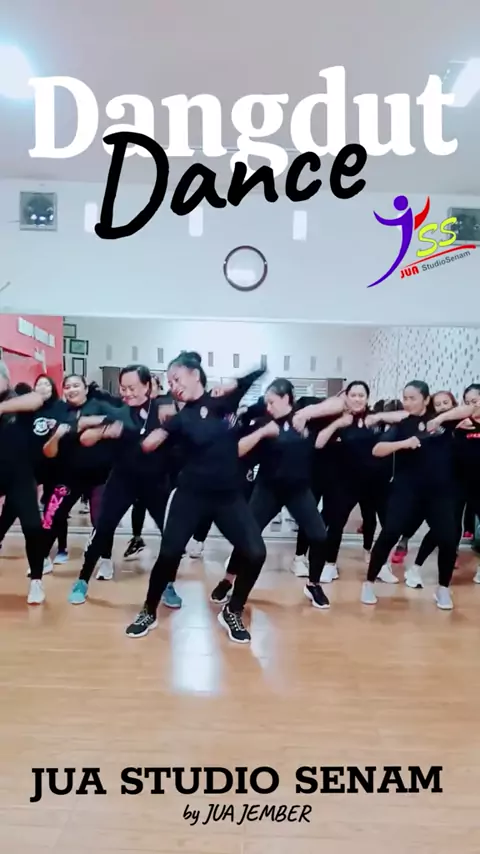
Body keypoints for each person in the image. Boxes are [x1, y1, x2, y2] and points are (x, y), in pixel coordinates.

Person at [122, 352, 267, 643]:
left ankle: (233, 610)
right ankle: (149, 610)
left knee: (256, 553)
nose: (174, 386)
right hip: (191, 496)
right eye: (170, 382)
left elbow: (254, 376)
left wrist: (235, 381)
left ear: (195, 374)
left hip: (228, 497)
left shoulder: (224, 401)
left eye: (177, 379)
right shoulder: (179, 418)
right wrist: (152, 434)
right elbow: (150, 444)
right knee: (169, 554)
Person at [209, 378, 347, 609]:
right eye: (267, 402)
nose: (269, 406)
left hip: (299, 490)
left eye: (272, 402)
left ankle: (313, 584)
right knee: (247, 537)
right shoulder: (263, 420)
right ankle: (227, 580)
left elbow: (340, 404)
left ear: (286, 399)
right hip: (268, 489)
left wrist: (306, 414)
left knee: (319, 536)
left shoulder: (307, 413)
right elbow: (238, 449)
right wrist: (263, 432)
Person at [66, 364, 183, 608]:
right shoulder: (118, 413)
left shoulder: (164, 410)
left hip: (156, 484)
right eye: (123, 388)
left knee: (171, 537)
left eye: (132, 388)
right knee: (102, 530)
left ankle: (168, 584)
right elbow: (85, 438)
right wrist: (104, 431)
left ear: (147, 386)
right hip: (122, 482)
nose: (127, 393)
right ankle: (82, 580)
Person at [362, 381, 464, 610]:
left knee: (448, 539)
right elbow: (377, 450)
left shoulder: (442, 421)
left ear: (426, 399)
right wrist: (403, 443)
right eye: (405, 398)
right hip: (407, 490)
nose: (407, 402)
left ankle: (443, 589)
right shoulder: (402, 424)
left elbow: (470, 409)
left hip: (439, 492)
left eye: (412, 398)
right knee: (390, 533)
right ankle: (368, 583)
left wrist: (439, 418)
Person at [305, 381, 403, 584]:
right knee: (336, 525)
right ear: (346, 397)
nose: (357, 399)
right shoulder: (340, 420)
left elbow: (406, 417)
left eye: (361, 395)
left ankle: (382, 566)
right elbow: (319, 443)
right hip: (345, 483)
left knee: (388, 526)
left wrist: (379, 416)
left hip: (377, 483)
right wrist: (338, 424)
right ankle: (330, 565)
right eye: (353, 395)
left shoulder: (376, 419)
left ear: (367, 398)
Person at [42, 374, 133, 581]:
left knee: (101, 520)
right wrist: (75, 426)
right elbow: (52, 444)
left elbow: (121, 418)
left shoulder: (100, 405)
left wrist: (95, 425)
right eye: (67, 386)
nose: (71, 390)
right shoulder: (60, 411)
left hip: (101, 475)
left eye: (76, 385)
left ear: (85, 388)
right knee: (52, 515)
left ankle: (105, 560)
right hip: (68, 475)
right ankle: (43, 558)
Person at [391, 390, 458, 574]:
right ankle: (404, 542)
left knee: (447, 526)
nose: (443, 407)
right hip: (432, 482)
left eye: (446, 403)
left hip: (455, 482)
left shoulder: (457, 420)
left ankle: (446, 554)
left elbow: (469, 410)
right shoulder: (430, 424)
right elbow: (403, 417)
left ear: (453, 403)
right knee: (415, 517)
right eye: (438, 404)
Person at [0, 361, 48, 603]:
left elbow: (37, 399)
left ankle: (36, 581)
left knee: (32, 527)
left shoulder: (19, 396)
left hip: (20, 476)